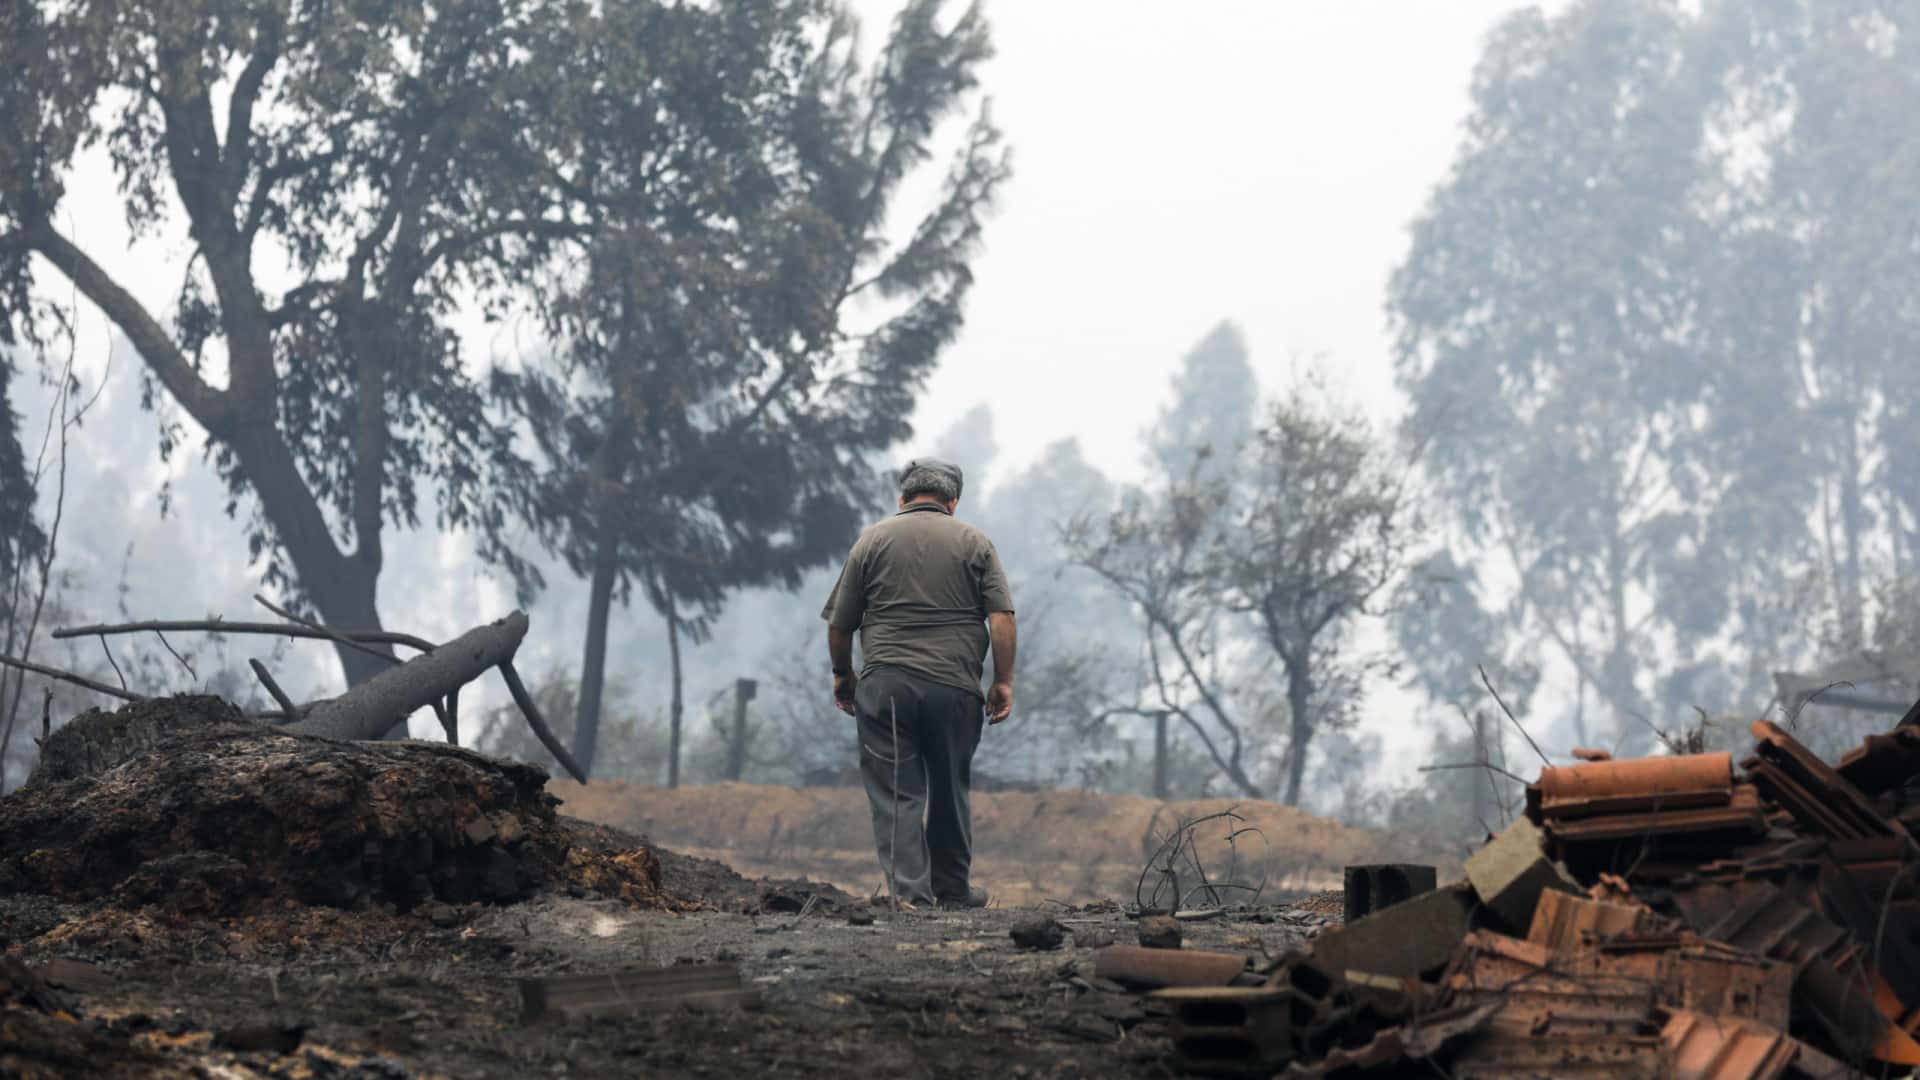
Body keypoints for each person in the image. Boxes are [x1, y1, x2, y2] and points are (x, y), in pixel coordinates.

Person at [821, 458, 1017, 910]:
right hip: (954, 688)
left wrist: (842, 674)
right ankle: (953, 890)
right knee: (950, 788)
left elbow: (840, 623)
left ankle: (910, 895)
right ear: (952, 502)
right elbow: (1002, 618)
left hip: (886, 684)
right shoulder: (975, 542)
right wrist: (1002, 681)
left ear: (902, 498)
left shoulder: (871, 541)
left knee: (895, 792)